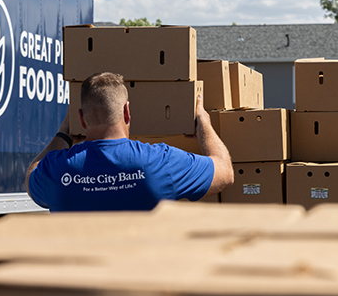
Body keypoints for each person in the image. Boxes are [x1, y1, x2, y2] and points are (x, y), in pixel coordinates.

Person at [26, 72, 234, 211]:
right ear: (127, 111)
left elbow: (32, 176)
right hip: (138, 276)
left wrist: (63, 134)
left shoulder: (57, 168)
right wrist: (203, 122)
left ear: (80, 118)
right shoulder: (161, 161)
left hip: (76, 277)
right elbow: (225, 172)